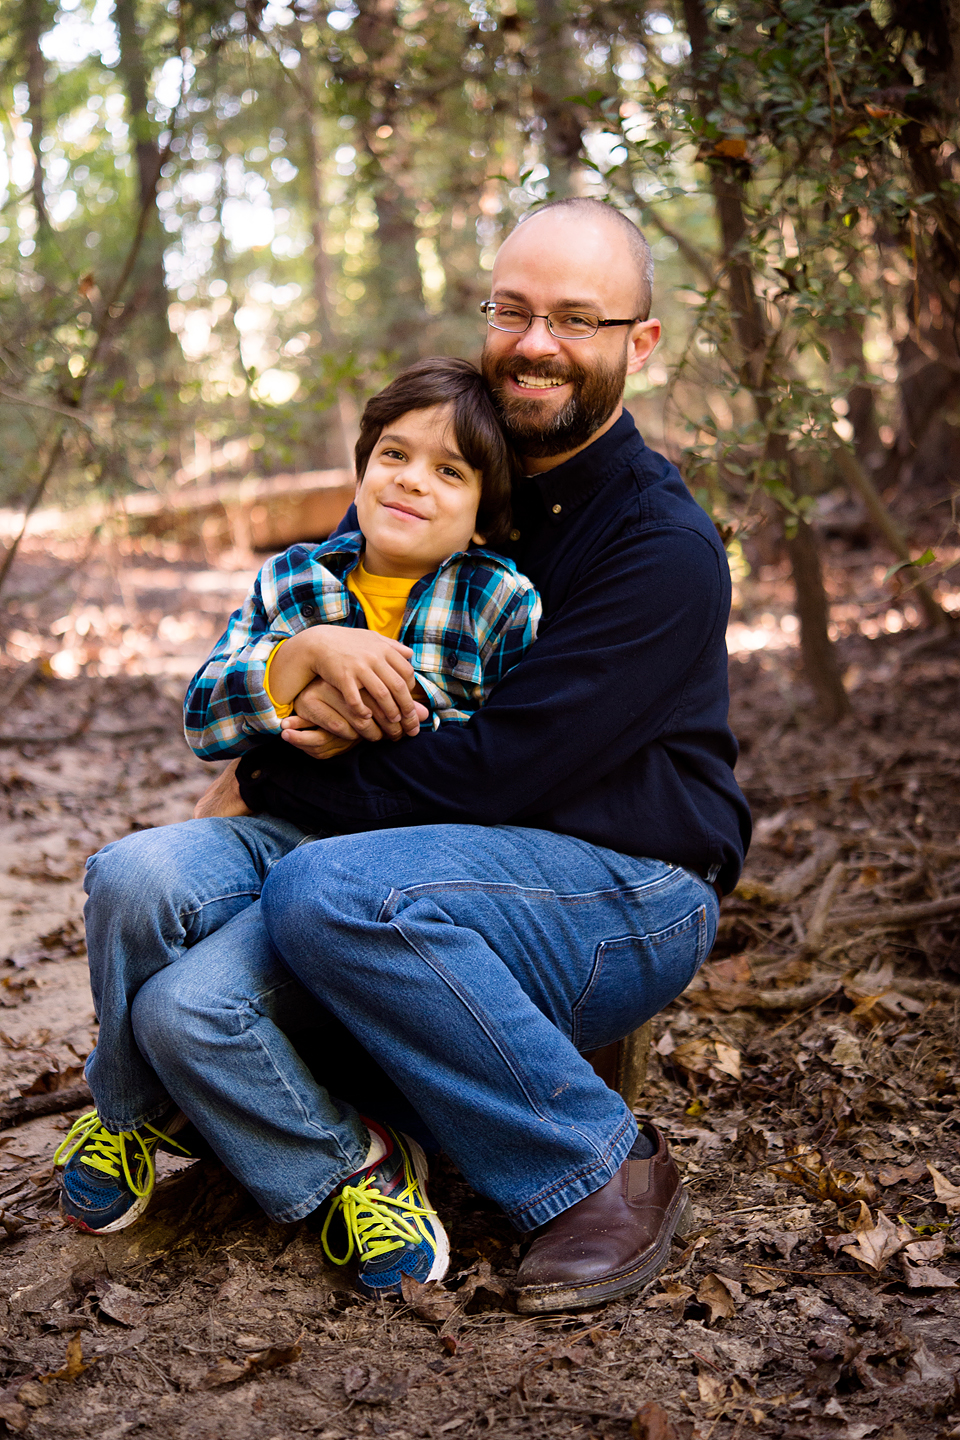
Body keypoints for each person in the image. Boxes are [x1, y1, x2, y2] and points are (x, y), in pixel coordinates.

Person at [62, 196, 751, 1313]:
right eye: (513, 310)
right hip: (412, 856)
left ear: (642, 342)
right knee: (181, 1000)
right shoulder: (447, 469)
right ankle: (339, 1152)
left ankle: (598, 1168)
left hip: (625, 885)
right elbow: (297, 648)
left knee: (330, 887)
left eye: (576, 318)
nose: (535, 342)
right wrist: (285, 689)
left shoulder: (659, 547)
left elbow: (496, 773)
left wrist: (271, 773)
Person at [54, 358, 539, 1277]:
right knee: (129, 873)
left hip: (386, 869)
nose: (412, 480)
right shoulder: (294, 578)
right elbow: (205, 716)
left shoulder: (500, 600)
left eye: (450, 471)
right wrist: (300, 657)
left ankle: (358, 1162)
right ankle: (129, 1112)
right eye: (395, 454)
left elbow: (511, 760)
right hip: (271, 830)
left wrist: (376, 713)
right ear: (362, 467)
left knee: (185, 1013)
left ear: (485, 511)